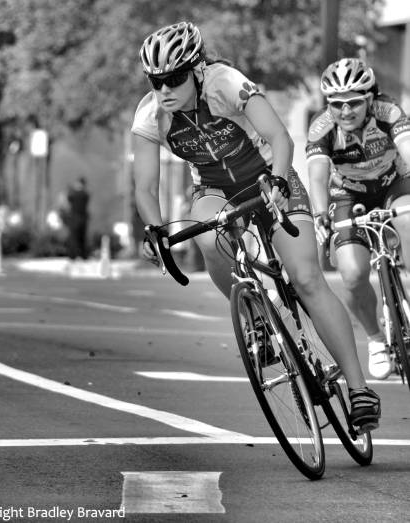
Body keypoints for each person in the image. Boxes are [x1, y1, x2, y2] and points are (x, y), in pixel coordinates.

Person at [131, 22, 380, 432]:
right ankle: (258, 320)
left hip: (269, 176)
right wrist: (154, 229)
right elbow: (144, 185)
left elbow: (280, 138)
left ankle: (359, 390)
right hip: (215, 188)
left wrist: (280, 182)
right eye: (155, 82)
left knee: (306, 278)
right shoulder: (150, 114)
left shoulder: (226, 83)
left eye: (174, 79)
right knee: (208, 236)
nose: (164, 91)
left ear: (196, 69)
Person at [307, 57, 410, 381]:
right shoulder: (322, 127)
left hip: (394, 182)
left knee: (408, 221)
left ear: (369, 99)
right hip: (348, 195)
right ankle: (377, 340)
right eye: (337, 104)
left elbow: (408, 147)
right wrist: (321, 214)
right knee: (351, 274)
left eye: (354, 103)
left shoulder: (388, 111)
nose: (345, 111)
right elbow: (317, 175)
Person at [66, 177, 90, 260]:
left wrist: (71, 189)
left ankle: (74, 255)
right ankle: (82, 255)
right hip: (83, 218)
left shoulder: (76, 194)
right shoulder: (85, 194)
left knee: (74, 238)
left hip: (75, 218)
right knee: (81, 238)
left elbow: (69, 198)